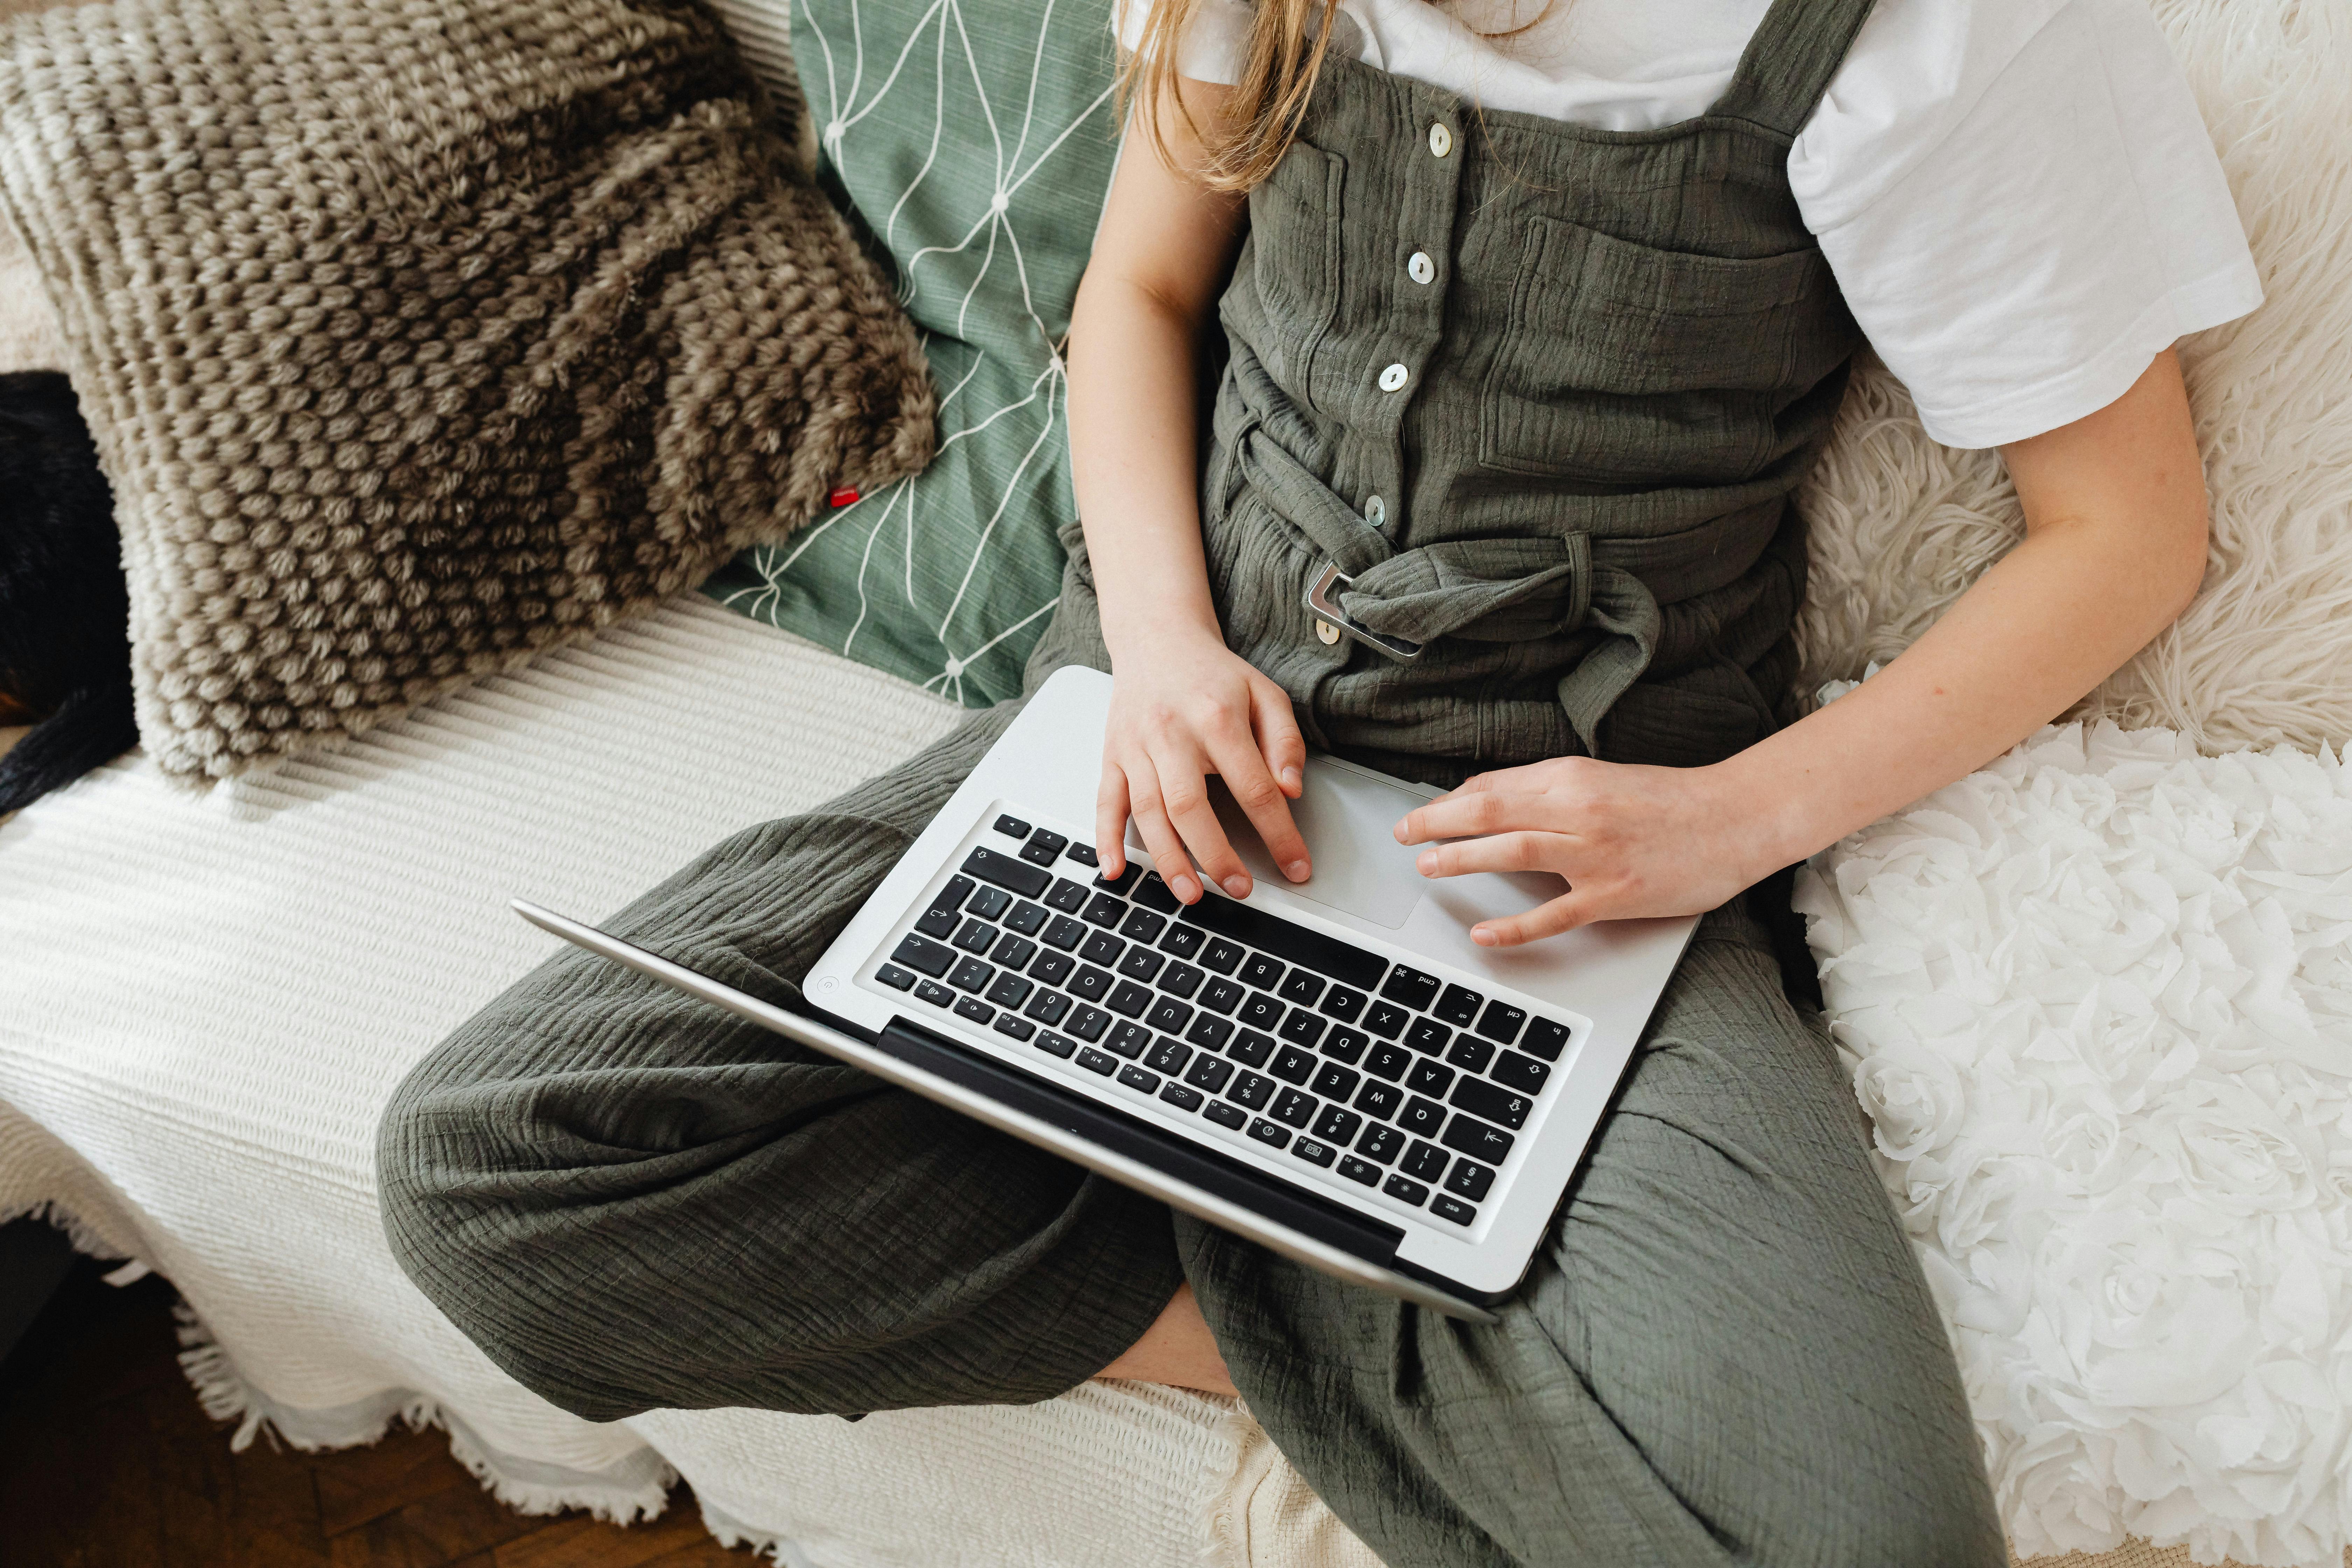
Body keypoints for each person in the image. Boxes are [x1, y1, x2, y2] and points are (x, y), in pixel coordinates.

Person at [377, 0, 2261, 1560]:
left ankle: (1250, 1163)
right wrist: (1168, 651)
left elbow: (2125, 532)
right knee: (485, 1181)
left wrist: (1731, 820)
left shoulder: (1948, 36)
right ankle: (1327, 1237)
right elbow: (1136, 302)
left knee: (1877, 1546)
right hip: (1156, 750)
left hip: (1579, 879)